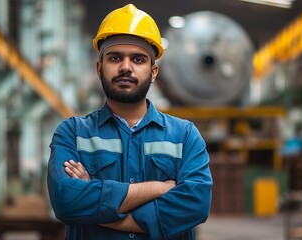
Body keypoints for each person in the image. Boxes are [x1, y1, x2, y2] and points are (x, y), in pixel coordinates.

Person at [47, 4, 212, 240]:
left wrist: (101, 203)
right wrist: (159, 188)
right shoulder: (72, 133)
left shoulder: (184, 135)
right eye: (115, 58)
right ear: (99, 67)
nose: (126, 67)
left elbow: (196, 204)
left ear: (153, 72)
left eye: (138, 59)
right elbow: (67, 201)